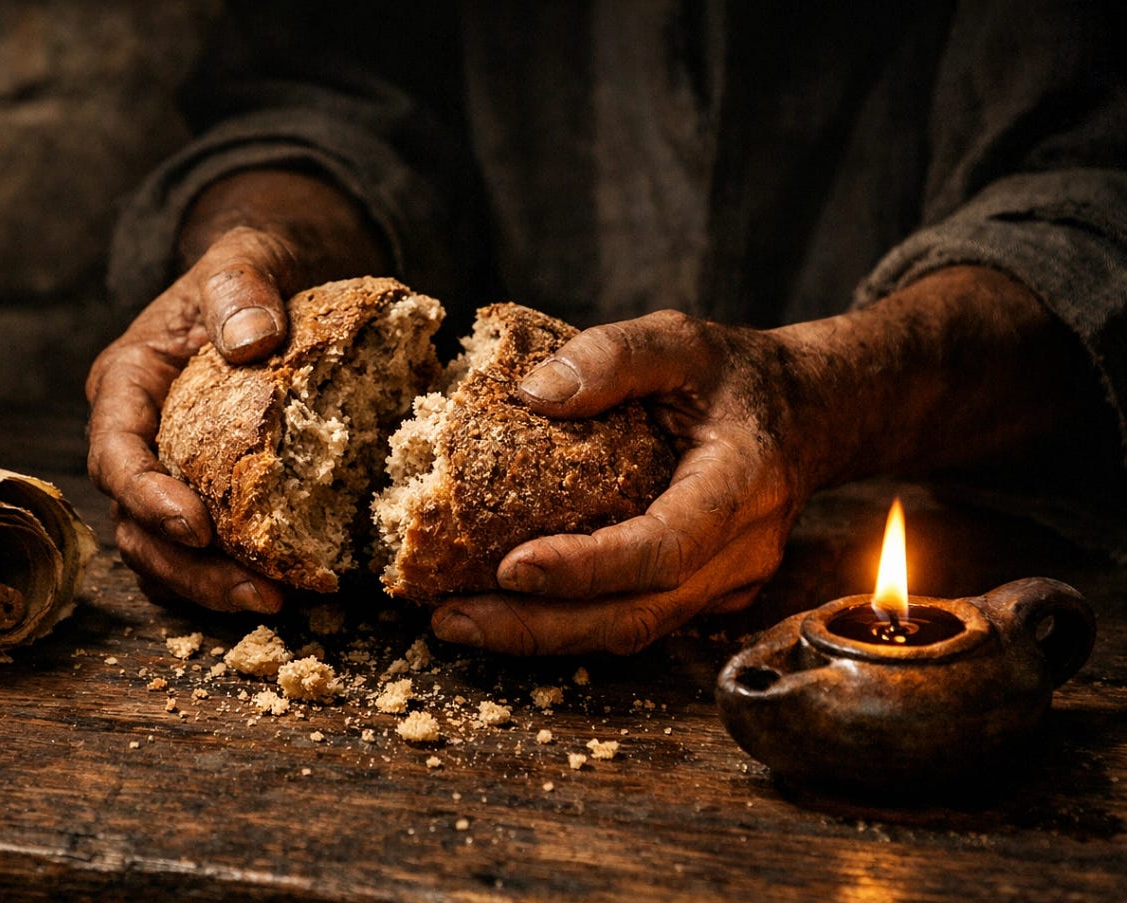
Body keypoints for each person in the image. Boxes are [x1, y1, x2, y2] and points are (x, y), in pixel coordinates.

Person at [85, 1, 1127, 655]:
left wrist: (825, 395)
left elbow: (1097, 190)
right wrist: (264, 237)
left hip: (1006, 557)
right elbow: (327, 86)